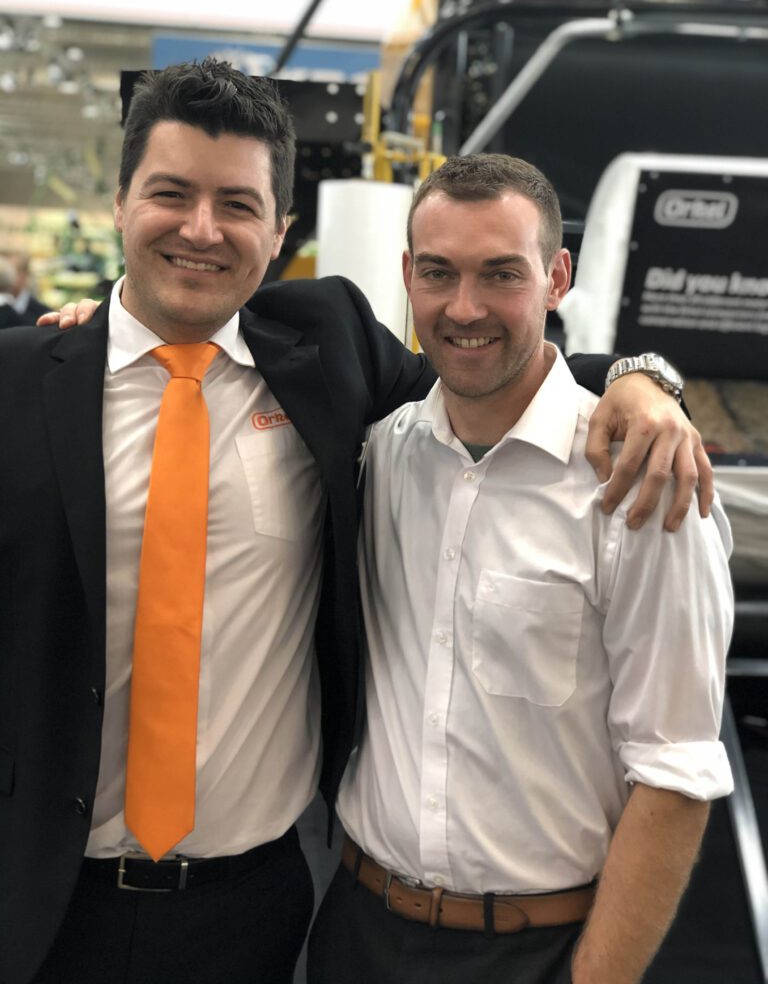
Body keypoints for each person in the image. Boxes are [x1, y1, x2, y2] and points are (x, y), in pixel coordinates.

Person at [1, 58, 707, 984]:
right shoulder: (18, 384)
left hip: (254, 914)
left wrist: (644, 377)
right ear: (120, 203)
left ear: (281, 230)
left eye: (238, 204)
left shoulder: (325, 352)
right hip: (38, 902)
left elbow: (489, 363)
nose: (202, 229)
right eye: (171, 193)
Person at [306, 155, 734, 984]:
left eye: (501, 274)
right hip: (355, 930)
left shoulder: (638, 484)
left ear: (556, 278)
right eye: (439, 273)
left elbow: (675, 772)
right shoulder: (379, 454)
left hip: (537, 952)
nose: (464, 308)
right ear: (408, 275)